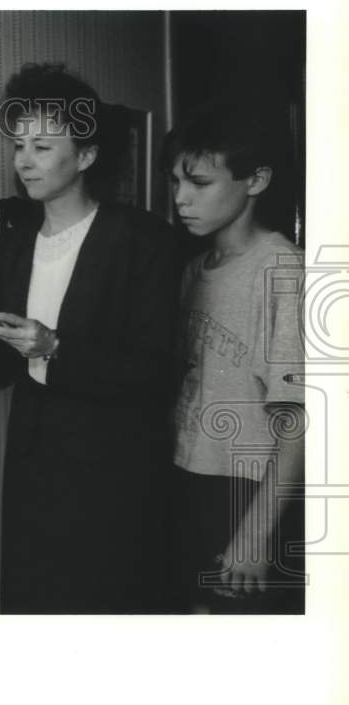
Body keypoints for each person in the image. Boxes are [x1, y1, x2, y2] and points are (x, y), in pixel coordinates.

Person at [0, 63, 179, 613]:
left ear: (86, 155)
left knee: (111, 609)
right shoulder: (7, 251)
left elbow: (158, 370)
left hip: (118, 469)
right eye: (18, 145)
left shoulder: (144, 242)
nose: (23, 160)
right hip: (36, 466)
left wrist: (56, 348)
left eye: (41, 145)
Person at [165, 98, 305, 613]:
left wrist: (255, 535)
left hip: (250, 493)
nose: (181, 199)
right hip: (188, 478)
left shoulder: (282, 270)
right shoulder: (193, 268)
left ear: (257, 180)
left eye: (199, 184)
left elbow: (298, 419)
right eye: (176, 183)